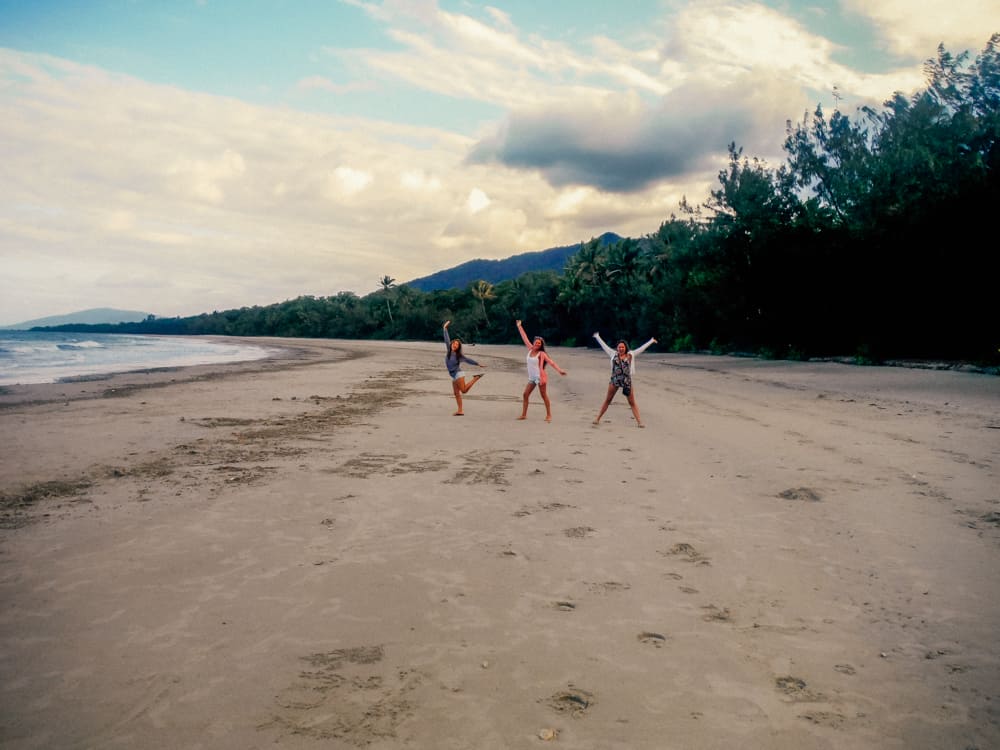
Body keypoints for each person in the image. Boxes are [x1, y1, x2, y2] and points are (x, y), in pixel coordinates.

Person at [592, 332, 657, 427]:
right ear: (617, 348)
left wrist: (651, 341)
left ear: (625, 347)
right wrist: (597, 337)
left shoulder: (631, 355)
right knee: (608, 400)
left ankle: (639, 422)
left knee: (632, 402)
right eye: (619, 347)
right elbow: (604, 346)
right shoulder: (613, 354)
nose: (621, 349)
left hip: (626, 381)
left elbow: (641, 349)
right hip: (615, 380)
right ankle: (597, 419)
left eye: (622, 347)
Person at [515, 319, 567, 422]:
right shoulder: (530, 349)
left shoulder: (542, 354)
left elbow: (551, 362)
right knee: (525, 394)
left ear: (541, 345)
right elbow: (524, 337)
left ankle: (549, 415)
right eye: (536, 343)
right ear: (533, 343)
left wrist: (560, 370)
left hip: (540, 377)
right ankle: (524, 415)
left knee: (543, 395)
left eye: (539, 344)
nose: (537, 344)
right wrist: (519, 326)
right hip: (532, 378)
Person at [443, 320, 485, 415]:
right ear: (451, 344)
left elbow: (468, 360)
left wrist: (477, 364)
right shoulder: (449, 350)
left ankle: (476, 378)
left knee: (464, 391)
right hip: (453, 376)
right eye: (454, 343)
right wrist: (445, 328)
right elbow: (446, 339)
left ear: (458, 347)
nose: (455, 345)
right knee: (456, 393)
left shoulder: (459, 356)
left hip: (458, 374)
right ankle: (460, 410)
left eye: (457, 345)